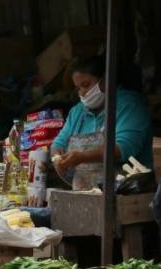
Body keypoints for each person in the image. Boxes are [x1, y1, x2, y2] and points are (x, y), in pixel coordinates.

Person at [53, 55, 153, 191]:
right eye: (78, 88)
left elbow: (122, 149)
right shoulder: (77, 112)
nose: (82, 93)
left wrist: (82, 157)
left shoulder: (130, 105)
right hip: (85, 195)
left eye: (86, 85)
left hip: (125, 194)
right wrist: (57, 157)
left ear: (106, 79)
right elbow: (59, 143)